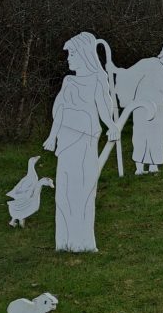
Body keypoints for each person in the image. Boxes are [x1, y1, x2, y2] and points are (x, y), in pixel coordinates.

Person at [43, 32, 118, 252]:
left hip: (85, 139)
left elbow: (104, 106)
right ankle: (65, 241)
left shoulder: (96, 79)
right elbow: (59, 110)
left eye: (72, 53)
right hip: (66, 140)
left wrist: (111, 125)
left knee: (84, 189)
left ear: (85, 54)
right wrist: (53, 135)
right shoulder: (68, 81)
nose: (68, 58)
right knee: (65, 190)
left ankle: (83, 241)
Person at [114, 41, 163, 175]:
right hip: (142, 107)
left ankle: (153, 166)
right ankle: (139, 168)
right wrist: (116, 70)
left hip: (159, 108)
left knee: (158, 136)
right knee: (141, 135)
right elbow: (130, 74)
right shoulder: (149, 63)